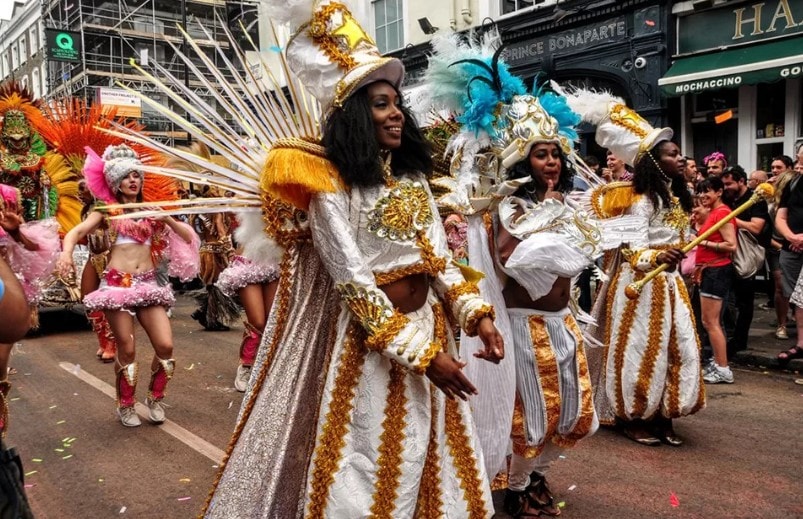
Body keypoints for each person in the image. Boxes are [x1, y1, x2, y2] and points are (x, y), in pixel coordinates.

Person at [568, 91, 705, 446]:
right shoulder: (641, 200)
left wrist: (678, 256)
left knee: (679, 347)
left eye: (679, 152)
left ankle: (664, 411)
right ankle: (634, 414)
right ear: (655, 163)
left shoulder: (676, 198)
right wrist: (657, 258)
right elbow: (631, 250)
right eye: (672, 154)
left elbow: (682, 236)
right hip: (640, 285)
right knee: (641, 348)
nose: (681, 158)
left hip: (671, 286)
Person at [56, 144, 198, 427]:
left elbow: (188, 237)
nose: (133, 180)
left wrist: (167, 218)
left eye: (136, 176)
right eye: (126, 176)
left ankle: (155, 398)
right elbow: (78, 231)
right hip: (116, 287)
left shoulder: (151, 210)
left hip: (148, 285)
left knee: (165, 345)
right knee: (127, 349)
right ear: (115, 181)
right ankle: (126, 405)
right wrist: (66, 252)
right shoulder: (106, 210)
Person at [215, 212, 279, 392]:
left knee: (270, 322)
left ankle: (263, 366)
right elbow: (225, 218)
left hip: (273, 261)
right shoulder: (249, 195)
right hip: (247, 261)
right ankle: (246, 365)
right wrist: (227, 247)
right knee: (257, 321)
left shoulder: (284, 196)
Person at [719, 166, 769, 358]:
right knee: (726, 298)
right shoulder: (728, 198)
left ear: (741, 181)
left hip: (745, 255)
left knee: (744, 300)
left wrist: (729, 219)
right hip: (728, 255)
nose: (726, 187)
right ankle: (729, 334)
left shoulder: (756, 200)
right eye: (724, 184)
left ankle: (740, 339)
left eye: (729, 183)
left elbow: (756, 227)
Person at [694, 176, 737, 383]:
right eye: (700, 191)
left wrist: (703, 241)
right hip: (710, 271)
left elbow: (731, 246)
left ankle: (723, 368)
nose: (703, 195)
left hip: (716, 271)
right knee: (709, 321)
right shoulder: (713, 212)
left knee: (711, 322)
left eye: (707, 191)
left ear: (719, 192)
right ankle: (718, 361)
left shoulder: (722, 213)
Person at [774, 153, 803, 364]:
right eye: (799, 159)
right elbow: (781, 216)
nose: (799, 164)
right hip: (791, 248)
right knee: (798, 299)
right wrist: (791, 236)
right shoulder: (793, 183)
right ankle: (802, 343)